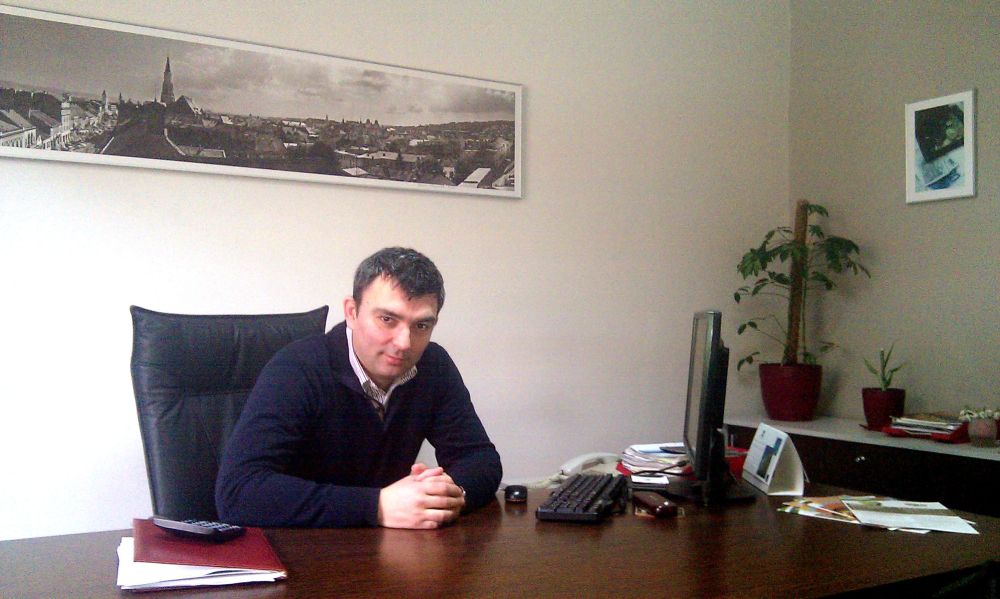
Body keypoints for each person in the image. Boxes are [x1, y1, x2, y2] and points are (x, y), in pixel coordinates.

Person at [215, 247, 502, 529]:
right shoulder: (296, 368)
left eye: (422, 325)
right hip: (299, 548)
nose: (404, 343)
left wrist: (448, 495)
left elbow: (480, 460)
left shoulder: (433, 366)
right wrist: (377, 506)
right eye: (387, 319)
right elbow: (238, 492)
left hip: (391, 546)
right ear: (352, 312)